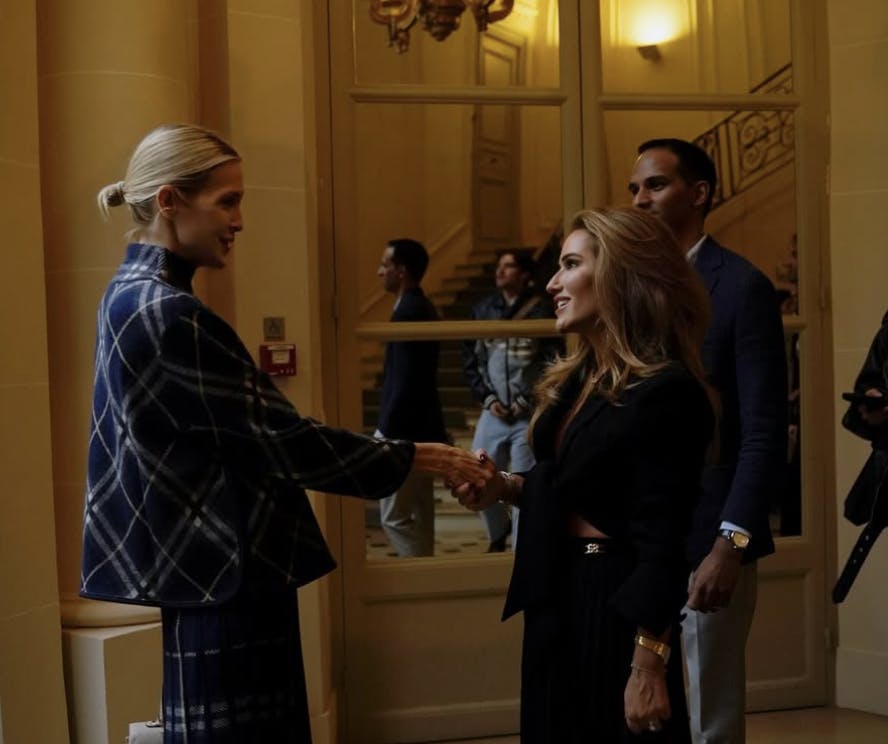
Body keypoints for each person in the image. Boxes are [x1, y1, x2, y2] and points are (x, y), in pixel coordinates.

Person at [79, 123, 486, 743]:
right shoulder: (169, 312)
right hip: (227, 576)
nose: (239, 221)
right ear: (169, 200)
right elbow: (281, 440)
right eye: (227, 202)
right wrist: (421, 457)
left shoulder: (125, 295)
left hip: (201, 572)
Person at [457, 207, 716, 741]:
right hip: (558, 592)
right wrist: (501, 486)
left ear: (620, 276)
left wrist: (647, 664)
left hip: (613, 598)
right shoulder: (578, 379)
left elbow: (664, 544)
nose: (552, 283)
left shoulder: (667, 390)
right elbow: (569, 487)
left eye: (570, 265)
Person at [629, 138, 787, 743]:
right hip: (639, 536)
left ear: (698, 194)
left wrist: (732, 544)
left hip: (710, 538)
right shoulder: (630, 286)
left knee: (708, 716)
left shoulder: (743, 287)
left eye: (655, 185)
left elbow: (763, 433)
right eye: (634, 189)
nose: (640, 199)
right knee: (641, 705)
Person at [462, 249, 561, 551]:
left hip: (527, 413)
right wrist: (487, 397)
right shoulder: (482, 309)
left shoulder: (542, 310)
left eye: (509, 266)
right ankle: (496, 535)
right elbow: (471, 359)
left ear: (525, 274)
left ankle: (520, 550)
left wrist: (526, 399)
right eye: (499, 265)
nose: (500, 271)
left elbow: (552, 360)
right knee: (475, 472)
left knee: (524, 482)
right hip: (492, 411)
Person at [375, 238, 449, 556]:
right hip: (421, 427)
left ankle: (418, 569)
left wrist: (385, 430)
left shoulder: (409, 311)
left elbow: (405, 380)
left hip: (404, 430)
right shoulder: (420, 305)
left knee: (394, 517)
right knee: (419, 513)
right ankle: (425, 569)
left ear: (401, 271)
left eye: (385, 265)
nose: (379, 272)